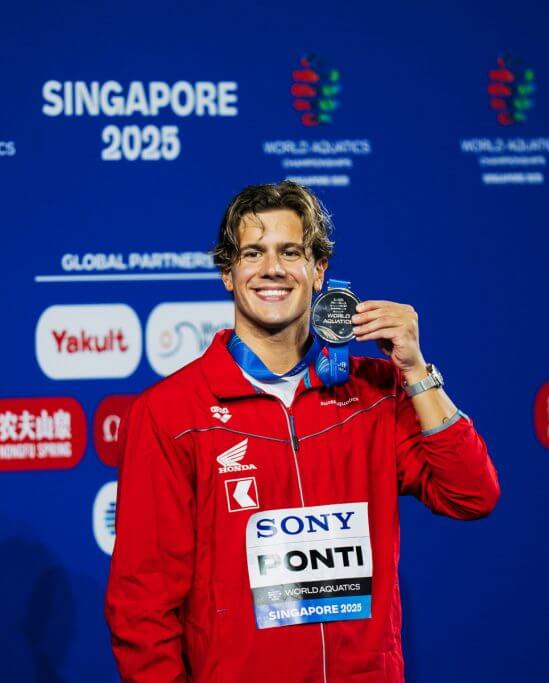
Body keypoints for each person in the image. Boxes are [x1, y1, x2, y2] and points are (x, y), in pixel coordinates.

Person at [105, 180, 500, 682]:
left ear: (319, 271)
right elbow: (142, 605)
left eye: (290, 251)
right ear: (228, 273)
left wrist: (416, 370)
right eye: (253, 253)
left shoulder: (375, 393)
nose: (272, 269)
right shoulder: (172, 415)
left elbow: (471, 494)